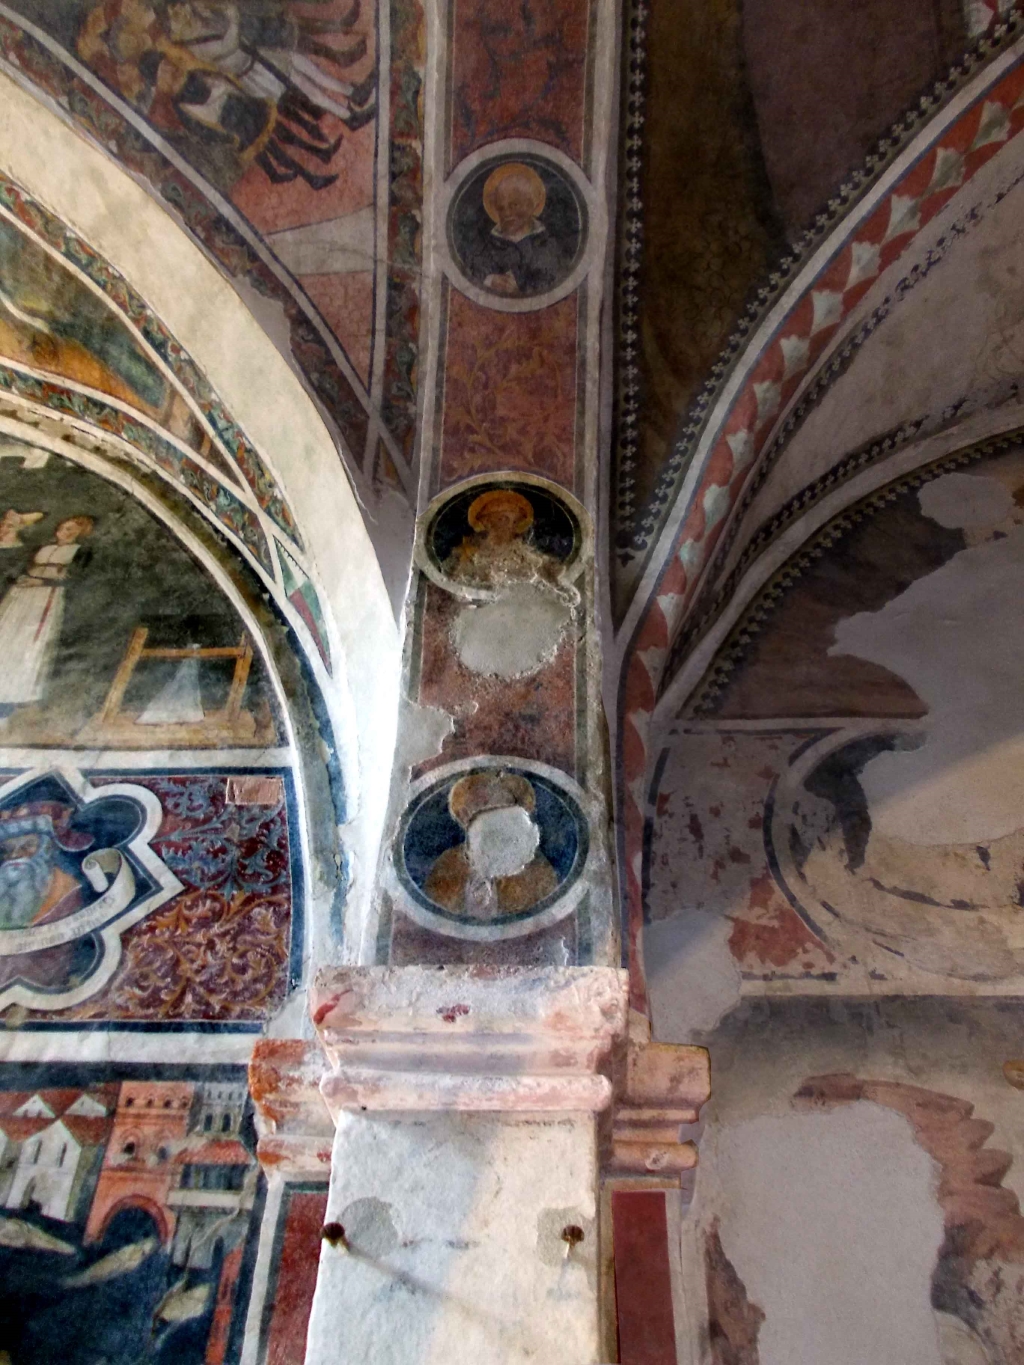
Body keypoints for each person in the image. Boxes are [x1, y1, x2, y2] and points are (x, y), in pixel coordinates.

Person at [423, 771, 559, 921]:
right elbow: (438, 912)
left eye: (500, 803)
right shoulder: (448, 864)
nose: (490, 809)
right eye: (481, 805)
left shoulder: (538, 870)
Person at [0, 516, 93, 712]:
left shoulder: (80, 552)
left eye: (71, 530)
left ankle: (19, 691)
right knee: (6, 636)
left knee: (31, 642)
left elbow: (75, 579)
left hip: (48, 597)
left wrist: (43, 582)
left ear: (80, 533)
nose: (65, 532)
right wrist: (22, 578)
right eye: (63, 527)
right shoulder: (42, 547)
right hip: (22, 595)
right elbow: (24, 568)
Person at [465, 162, 568, 297]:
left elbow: (553, 280)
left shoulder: (548, 244)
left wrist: (520, 289)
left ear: (530, 205)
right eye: (501, 208)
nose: (507, 214)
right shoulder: (486, 244)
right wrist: (490, 281)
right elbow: (473, 271)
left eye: (514, 205)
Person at [442, 489, 563, 591]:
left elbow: (548, 574)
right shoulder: (465, 555)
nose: (510, 526)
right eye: (502, 519)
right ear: (486, 522)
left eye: (515, 521)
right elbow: (456, 585)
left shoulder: (528, 557)